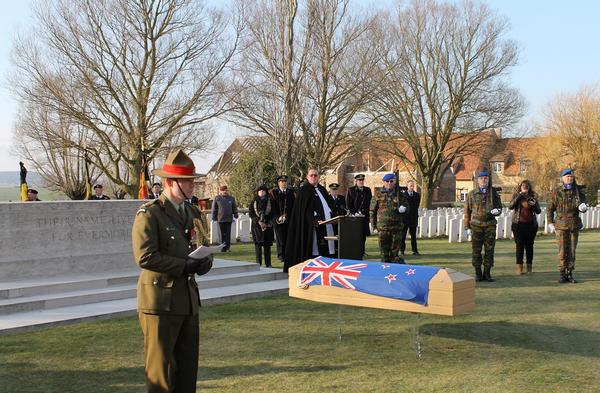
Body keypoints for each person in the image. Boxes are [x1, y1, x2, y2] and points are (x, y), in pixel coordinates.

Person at [131, 149, 213, 393]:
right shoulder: (150, 214)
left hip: (187, 301)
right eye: (187, 181)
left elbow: (204, 246)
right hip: (160, 302)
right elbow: (145, 256)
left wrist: (203, 263)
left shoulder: (195, 213)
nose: (192, 186)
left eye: (193, 181)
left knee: (187, 371)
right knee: (161, 374)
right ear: (169, 182)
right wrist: (184, 265)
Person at [284, 169, 336, 272]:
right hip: (311, 226)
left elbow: (330, 205)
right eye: (311, 175)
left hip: (327, 224)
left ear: (319, 177)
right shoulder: (304, 190)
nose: (313, 177)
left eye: (315, 175)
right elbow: (303, 210)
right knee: (314, 247)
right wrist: (312, 219)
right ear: (307, 177)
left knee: (326, 248)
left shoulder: (322, 189)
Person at [547, 168, 588, 283]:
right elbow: (550, 209)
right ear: (562, 178)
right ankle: (562, 273)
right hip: (560, 226)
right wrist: (550, 222)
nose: (569, 178)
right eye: (567, 177)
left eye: (571, 177)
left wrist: (584, 208)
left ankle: (569, 272)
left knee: (572, 250)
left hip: (574, 225)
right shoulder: (557, 192)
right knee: (562, 251)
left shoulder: (578, 191)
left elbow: (584, 205)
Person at [464, 171, 502, 282]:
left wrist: (497, 211)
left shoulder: (493, 193)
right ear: (478, 180)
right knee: (476, 250)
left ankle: (487, 273)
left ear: (488, 180)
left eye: (486, 178)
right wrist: (466, 226)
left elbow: (499, 207)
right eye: (481, 178)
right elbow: (467, 210)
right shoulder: (472, 194)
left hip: (490, 225)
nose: (484, 180)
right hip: (476, 225)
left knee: (489, 250)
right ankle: (478, 273)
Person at [370, 173, 409, 263]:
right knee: (384, 253)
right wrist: (373, 225)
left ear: (395, 182)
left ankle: (393, 273)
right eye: (387, 181)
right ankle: (384, 272)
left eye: (391, 181)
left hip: (396, 227)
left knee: (395, 253)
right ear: (384, 182)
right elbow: (372, 211)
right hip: (383, 227)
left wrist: (404, 209)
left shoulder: (400, 194)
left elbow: (408, 208)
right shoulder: (378, 194)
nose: (389, 183)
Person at [509, 180, 541, 275]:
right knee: (519, 246)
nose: (525, 188)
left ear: (529, 188)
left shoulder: (533, 196)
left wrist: (532, 202)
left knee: (529, 246)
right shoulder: (516, 196)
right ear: (520, 188)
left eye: (526, 187)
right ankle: (519, 268)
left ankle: (529, 268)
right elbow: (510, 206)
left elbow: (538, 211)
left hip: (531, 225)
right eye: (523, 186)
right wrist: (519, 196)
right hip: (518, 225)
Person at [346, 174, 372, 257]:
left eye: (362, 180)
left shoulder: (367, 190)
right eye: (359, 180)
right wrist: (354, 212)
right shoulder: (351, 190)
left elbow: (369, 202)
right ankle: (356, 251)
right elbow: (348, 203)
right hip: (355, 217)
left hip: (364, 216)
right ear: (356, 181)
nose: (361, 182)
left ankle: (362, 251)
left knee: (363, 235)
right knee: (356, 235)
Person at [270, 175, 295, 262]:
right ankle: (281, 255)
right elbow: (272, 207)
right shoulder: (274, 193)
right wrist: (278, 217)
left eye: (285, 181)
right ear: (278, 183)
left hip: (288, 219)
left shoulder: (290, 192)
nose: (284, 183)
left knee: (288, 238)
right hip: (278, 219)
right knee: (280, 238)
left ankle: (288, 255)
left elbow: (293, 206)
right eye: (282, 181)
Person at [249, 185, 275, 267]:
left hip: (268, 226)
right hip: (256, 227)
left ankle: (268, 263)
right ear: (257, 192)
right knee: (258, 246)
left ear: (266, 192)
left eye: (263, 191)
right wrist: (258, 221)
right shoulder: (253, 202)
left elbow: (273, 213)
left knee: (267, 246)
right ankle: (258, 263)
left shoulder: (270, 200)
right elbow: (251, 213)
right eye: (260, 191)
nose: (261, 192)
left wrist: (266, 221)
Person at [211, 185, 238, 252]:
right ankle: (222, 248)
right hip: (220, 219)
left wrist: (236, 214)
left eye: (226, 190)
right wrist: (214, 217)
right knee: (221, 234)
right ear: (220, 191)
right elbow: (214, 208)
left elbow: (234, 207)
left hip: (229, 219)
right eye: (223, 190)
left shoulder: (231, 198)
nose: (225, 191)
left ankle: (228, 247)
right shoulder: (217, 198)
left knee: (228, 234)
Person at [400, 180, 420, 256]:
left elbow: (416, 205)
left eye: (412, 186)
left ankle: (415, 250)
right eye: (410, 186)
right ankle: (402, 251)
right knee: (403, 236)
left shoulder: (417, 195)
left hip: (413, 218)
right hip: (405, 218)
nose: (411, 187)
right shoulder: (403, 195)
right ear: (407, 186)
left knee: (413, 236)